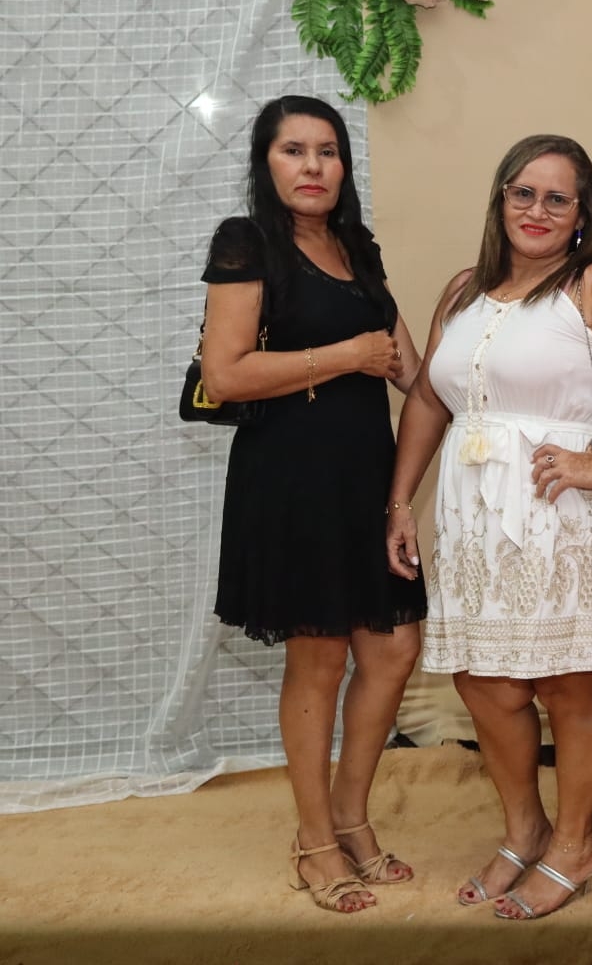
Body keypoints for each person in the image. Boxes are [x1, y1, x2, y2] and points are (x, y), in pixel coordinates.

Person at [383, 134, 592, 921]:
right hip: (473, 522)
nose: (537, 210)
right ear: (501, 200)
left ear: (582, 214)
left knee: (567, 686)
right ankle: (525, 830)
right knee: (483, 682)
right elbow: (430, 399)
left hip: (561, 520)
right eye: (523, 193)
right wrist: (399, 501)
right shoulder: (462, 290)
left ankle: (575, 844)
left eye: (558, 198)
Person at [199, 95, 426, 913]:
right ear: (266, 162)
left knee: (395, 650)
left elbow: (411, 371)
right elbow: (225, 373)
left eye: (327, 151)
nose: (312, 166)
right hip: (291, 482)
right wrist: (344, 354)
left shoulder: (356, 246)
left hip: (367, 480)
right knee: (320, 659)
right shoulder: (247, 242)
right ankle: (315, 840)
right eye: (293, 150)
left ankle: (351, 817)